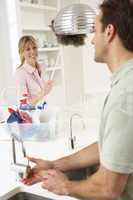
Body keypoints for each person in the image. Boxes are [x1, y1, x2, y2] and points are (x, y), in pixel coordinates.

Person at [22, 0, 133, 199]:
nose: (91, 41)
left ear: (109, 32)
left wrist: (66, 186)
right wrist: (55, 164)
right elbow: (107, 147)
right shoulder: (125, 82)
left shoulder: (125, 95)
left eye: (95, 31)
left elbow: (108, 188)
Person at [15, 35, 53, 105]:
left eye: (34, 47)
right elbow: (24, 105)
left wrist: (48, 88)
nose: (32, 51)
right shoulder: (20, 73)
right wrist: (42, 93)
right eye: (28, 49)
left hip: (46, 108)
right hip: (33, 114)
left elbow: (44, 91)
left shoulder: (42, 66)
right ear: (22, 53)